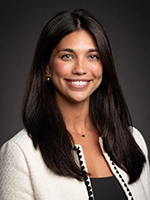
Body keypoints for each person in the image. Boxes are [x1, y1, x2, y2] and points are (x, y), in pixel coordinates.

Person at [0, 9, 149, 200]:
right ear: (46, 67)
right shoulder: (20, 153)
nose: (80, 69)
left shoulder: (133, 140)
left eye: (93, 56)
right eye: (67, 56)